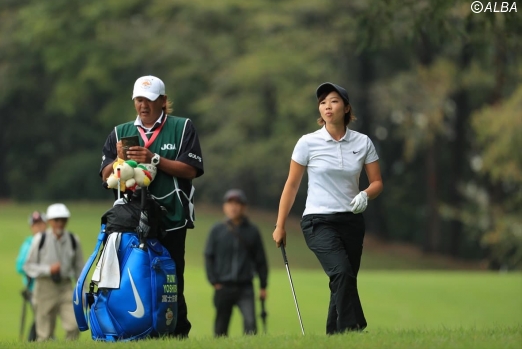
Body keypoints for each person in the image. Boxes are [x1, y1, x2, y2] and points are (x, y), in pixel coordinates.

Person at [272, 82, 383, 335]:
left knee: (343, 281)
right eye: (322, 102)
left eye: (333, 101)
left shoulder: (363, 142)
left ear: (346, 107)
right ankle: (353, 329)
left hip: (352, 221)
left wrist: (366, 194)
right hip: (318, 221)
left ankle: (334, 337)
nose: (327, 106)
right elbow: (291, 186)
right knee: (342, 273)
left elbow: (377, 182)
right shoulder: (308, 143)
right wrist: (280, 225)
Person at [99, 75, 204, 338]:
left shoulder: (182, 127)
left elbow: (191, 169)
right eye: (139, 100)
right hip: (130, 219)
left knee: (171, 281)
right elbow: (105, 176)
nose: (143, 105)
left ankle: (177, 334)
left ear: (163, 101)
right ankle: (136, 331)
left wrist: (154, 158)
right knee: (133, 278)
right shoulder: (120, 132)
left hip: (172, 216)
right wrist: (119, 159)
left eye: (150, 100)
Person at [204, 189, 268, 337]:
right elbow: (208, 256)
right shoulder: (217, 230)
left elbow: (261, 260)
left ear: (244, 207)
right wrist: (214, 282)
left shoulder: (252, 231)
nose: (234, 207)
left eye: (238, 203)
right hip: (223, 286)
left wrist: (263, 285)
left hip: (245, 287)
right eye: (230, 203)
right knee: (221, 328)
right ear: (224, 207)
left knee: (251, 324)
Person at [23, 203, 84, 341]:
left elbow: (80, 269)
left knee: (74, 325)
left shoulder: (74, 240)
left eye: (63, 220)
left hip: (65, 287)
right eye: (56, 220)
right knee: (44, 333)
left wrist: (83, 292)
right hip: (44, 287)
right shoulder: (40, 239)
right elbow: (28, 266)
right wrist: (48, 269)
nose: (60, 223)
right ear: (50, 221)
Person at [16, 211, 47, 341]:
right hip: (33, 288)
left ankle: (44, 339)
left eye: (40, 224)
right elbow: (20, 266)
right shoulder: (28, 244)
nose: (38, 227)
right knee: (41, 317)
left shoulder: (50, 241)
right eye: (35, 225)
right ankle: (36, 340)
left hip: (49, 286)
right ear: (31, 227)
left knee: (45, 317)